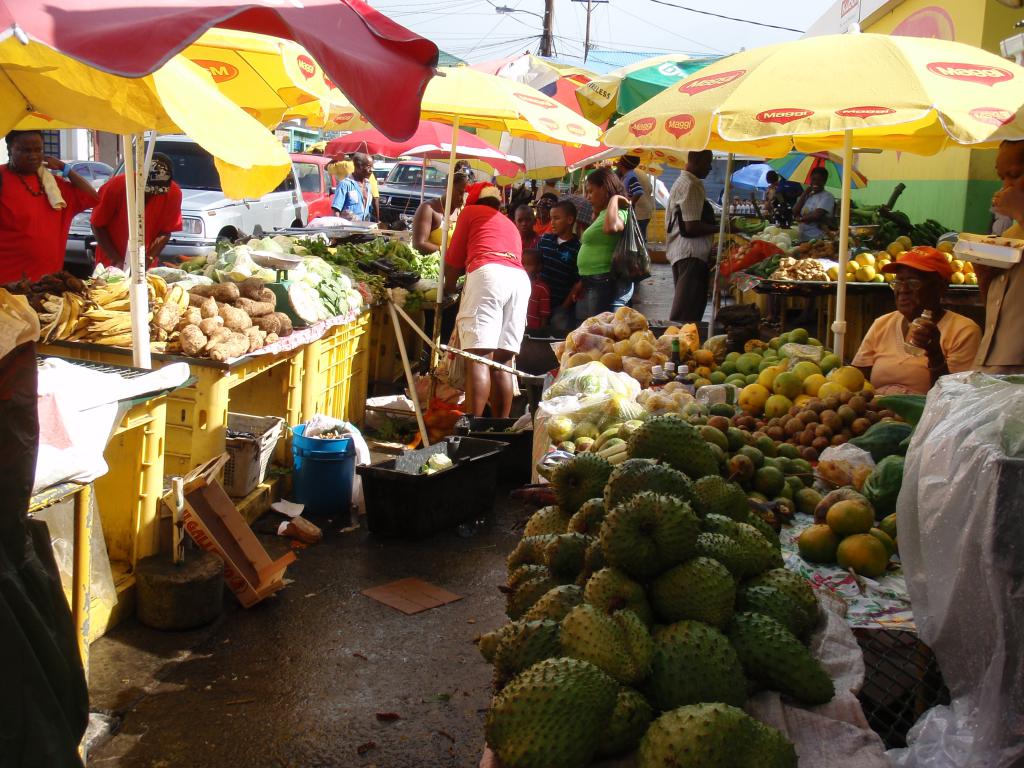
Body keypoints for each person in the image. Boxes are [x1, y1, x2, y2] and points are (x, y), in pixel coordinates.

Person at [444, 182, 530, 417]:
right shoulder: (509, 223)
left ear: (473, 202)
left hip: (488, 275)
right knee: (502, 362)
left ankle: (471, 430)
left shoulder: (470, 213)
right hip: (519, 281)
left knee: (479, 358)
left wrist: (447, 289)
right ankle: (498, 430)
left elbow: (453, 262)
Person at [851, 247, 980, 394]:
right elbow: (856, 379)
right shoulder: (882, 323)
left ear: (940, 288)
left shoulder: (963, 330)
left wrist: (935, 355)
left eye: (913, 282)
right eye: (898, 282)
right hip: (878, 413)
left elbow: (954, 396)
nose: (903, 289)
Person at [0, 130, 98, 283]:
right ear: (10, 149)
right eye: (25, 150)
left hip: (47, 283)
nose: (33, 155)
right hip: (8, 284)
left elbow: (92, 197)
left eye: (38, 150)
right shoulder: (2, 178)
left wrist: (64, 168)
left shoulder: (53, 186)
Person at [975, 139, 1024, 373]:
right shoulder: (1011, 232)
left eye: (1014, 175)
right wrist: (985, 273)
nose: (1006, 185)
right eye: (1001, 177)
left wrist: (1020, 210)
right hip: (995, 360)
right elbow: (996, 304)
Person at [90, 153, 183, 269]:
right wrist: (116, 260)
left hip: (145, 266)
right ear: (140, 176)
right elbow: (97, 225)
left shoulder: (173, 193)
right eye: (150, 189)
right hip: (110, 264)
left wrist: (149, 258)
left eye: (159, 191)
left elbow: (165, 231)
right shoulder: (116, 186)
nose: (154, 194)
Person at [666, 149, 717, 325]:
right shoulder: (691, 184)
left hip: (682, 253)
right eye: (708, 162)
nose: (710, 168)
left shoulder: (683, 181)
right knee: (685, 316)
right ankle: (676, 350)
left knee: (687, 311)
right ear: (698, 161)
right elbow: (691, 227)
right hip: (691, 255)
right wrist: (722, 228)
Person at [575, 167, 633, 320]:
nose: (588, 197)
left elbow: (611, 227)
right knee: (591, 329)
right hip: (592, 280)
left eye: (591, 191)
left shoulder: (620, 210)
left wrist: (614, 199)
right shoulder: (603, 213)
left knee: (598, 332)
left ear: (605, 189)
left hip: (602, 280)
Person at [538, 200, 581, 334]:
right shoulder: (545, 240)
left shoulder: (577, 249)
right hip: (539, 304)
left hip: (561, 306)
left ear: (569, 220)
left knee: (558, 338)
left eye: (557, 218)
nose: (552, 222)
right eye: (551, 218)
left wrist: (564, 307)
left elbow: (578, 282)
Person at [412, 172, 468, 254]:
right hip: (435, 264)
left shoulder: (464, 211)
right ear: (447, 188)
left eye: (465, 194)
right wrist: (448, 252)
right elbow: (419, 244)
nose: (462, 198)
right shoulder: (428, 208)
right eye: (460, 192)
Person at [792, 167, 835, 241]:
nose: (816, 182)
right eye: (813, 179)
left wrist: (800, 219)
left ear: (824, 181)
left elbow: (816, 215)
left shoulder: (827, 196)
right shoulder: (808, 195)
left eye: (819, 180)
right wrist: (805, 193)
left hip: (817, 238)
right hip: (802, 237)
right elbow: (795, 211)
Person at [617, 155, 654, 239]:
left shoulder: (631, 176)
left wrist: (630, 203)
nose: (617, 162)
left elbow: (638, 191)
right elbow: (650, 189)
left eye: (619, 160)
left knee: (636, 241)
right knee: (638, 239)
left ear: (622, 164)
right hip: (644, 212)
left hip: (638, 214)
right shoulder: (630, 175)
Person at [330, 152, 373, 220]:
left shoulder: (368, 186)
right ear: (359, 167)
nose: (371, 170)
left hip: (364, 228)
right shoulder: (344, 184)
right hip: (348, 228)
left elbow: (369, 211)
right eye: (368, 167)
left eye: (372, 167)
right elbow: (336, 211)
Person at [522, 248, 550, 330]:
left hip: (533, 329)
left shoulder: (542, 288)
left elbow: (544, 315)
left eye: (529, 265)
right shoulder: (515, 284)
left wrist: (540, 332)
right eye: (522, 264)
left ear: (539, 267)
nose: (525, 268)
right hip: (515, 328)